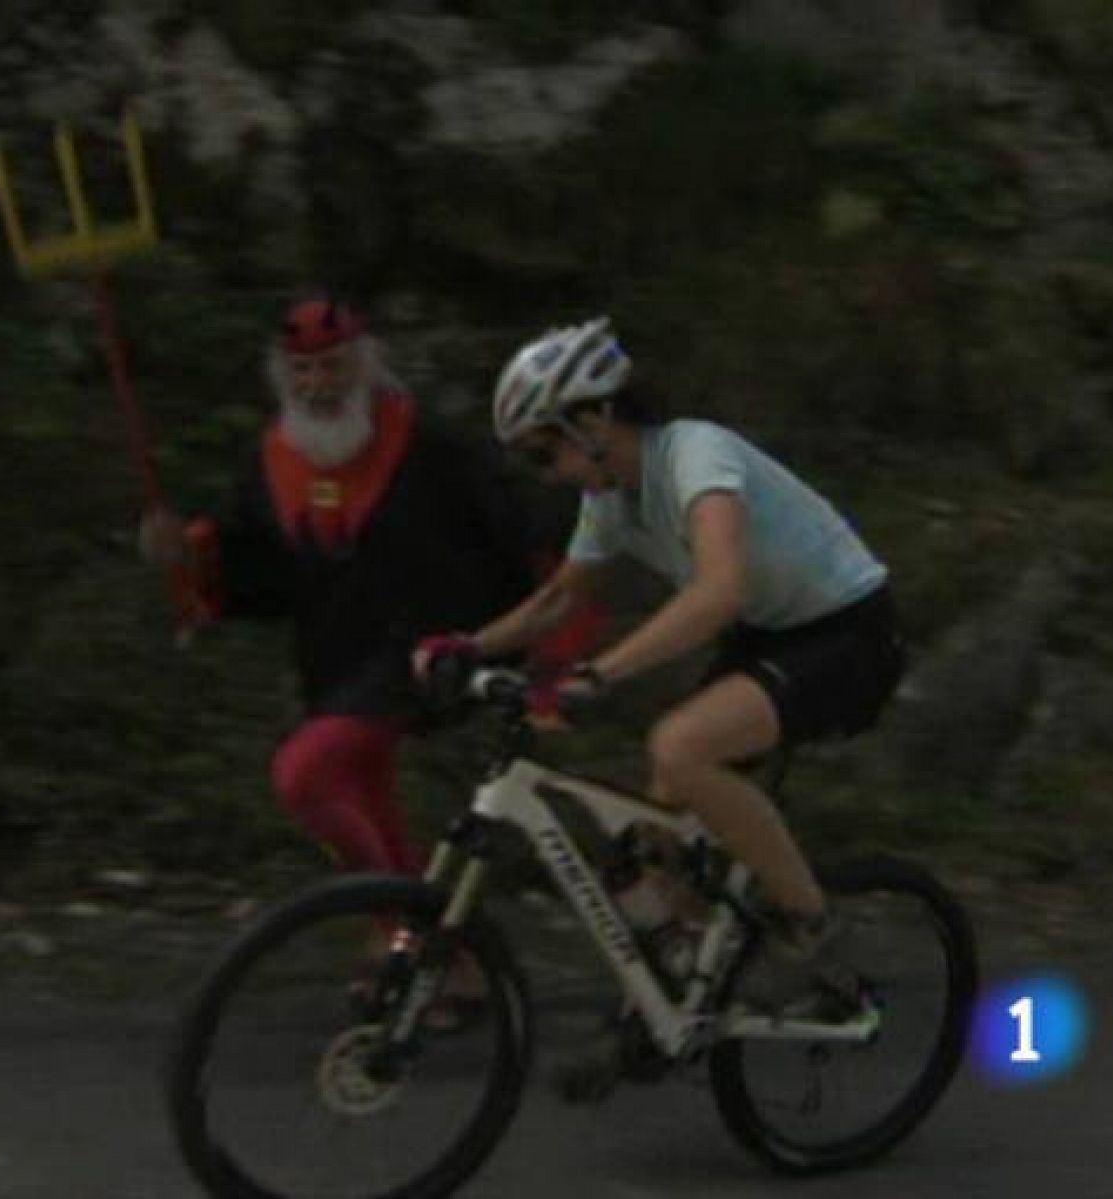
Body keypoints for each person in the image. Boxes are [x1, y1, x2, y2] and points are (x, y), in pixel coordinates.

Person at [415, 316, 907, 1023]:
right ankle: (678, 993)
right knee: (656, 829)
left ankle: (811, 926)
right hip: (770, 636)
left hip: (850, 631)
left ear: (595, 418)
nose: (543, 472)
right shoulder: (610, 498)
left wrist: (600, 674)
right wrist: (469, 647)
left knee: (680, 744)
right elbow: (559, 597)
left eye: (545, 451)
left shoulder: (694, 455)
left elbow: (717, 590)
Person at [140, 295, 601, 884]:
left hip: (430, 650)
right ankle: (423, 952)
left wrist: (555, 641)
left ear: (362, 367)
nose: (316, 385)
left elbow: (519, 525)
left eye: (332, 366)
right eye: (302, 371)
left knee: (303, 776)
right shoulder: (271, 460)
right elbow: (255, 562)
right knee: (360, 794)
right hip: (335, 659)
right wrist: (191, 552)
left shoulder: (426, 444)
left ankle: (404, 927)